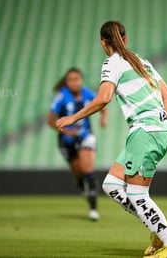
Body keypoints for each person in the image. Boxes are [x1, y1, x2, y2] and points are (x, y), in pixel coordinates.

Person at [56, 21, 167, 258]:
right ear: (125, 39)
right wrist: (161, 122)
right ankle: (160, 227)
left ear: (103, 43)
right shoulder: (141, 61)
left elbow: (104, 98)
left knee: (137, 195)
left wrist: (74, 117)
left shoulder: (112, 63)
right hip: (154, 130)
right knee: (112, 186)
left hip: (145, 133)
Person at [48, 67, 108, 221]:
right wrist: (67, 132)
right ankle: (83, 188)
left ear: (81, 80)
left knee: (88, 171)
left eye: (77, 79)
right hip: (67, 141)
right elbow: (51, 120)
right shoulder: (61, 97)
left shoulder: (88, 93)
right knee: (80, 175)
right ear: (66, 82)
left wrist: (103, 118)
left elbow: (102, 105)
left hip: (85, 136)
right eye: (70, 80)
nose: (74, 83)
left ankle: (93, 209)